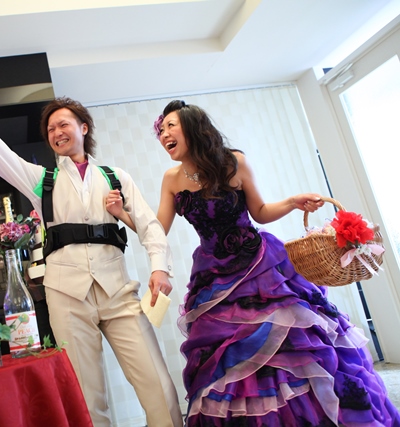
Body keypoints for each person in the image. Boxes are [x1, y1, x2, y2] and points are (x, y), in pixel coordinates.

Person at [109, 100, 400, 426]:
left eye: (170, 127)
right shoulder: (172, 178)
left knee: (287, 341)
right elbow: (158, 230)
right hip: (213, 278)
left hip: (260, 266)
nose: (163, 135)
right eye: (161, 130)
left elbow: (259, 212)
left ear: (193, 127)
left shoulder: (234, 162)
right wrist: (123, 214)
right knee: (229, 357)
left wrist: (292, 202)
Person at [0, 56, 183, 427]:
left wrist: (160, 268)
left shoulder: (115, 177)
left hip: (119, 293)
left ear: (83, 127)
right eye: (50, 129)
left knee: (159, 386)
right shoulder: (41, 182)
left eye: (63, 124)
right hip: (67, 298)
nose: (56, 132)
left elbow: (149, 226)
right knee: (86, 399)